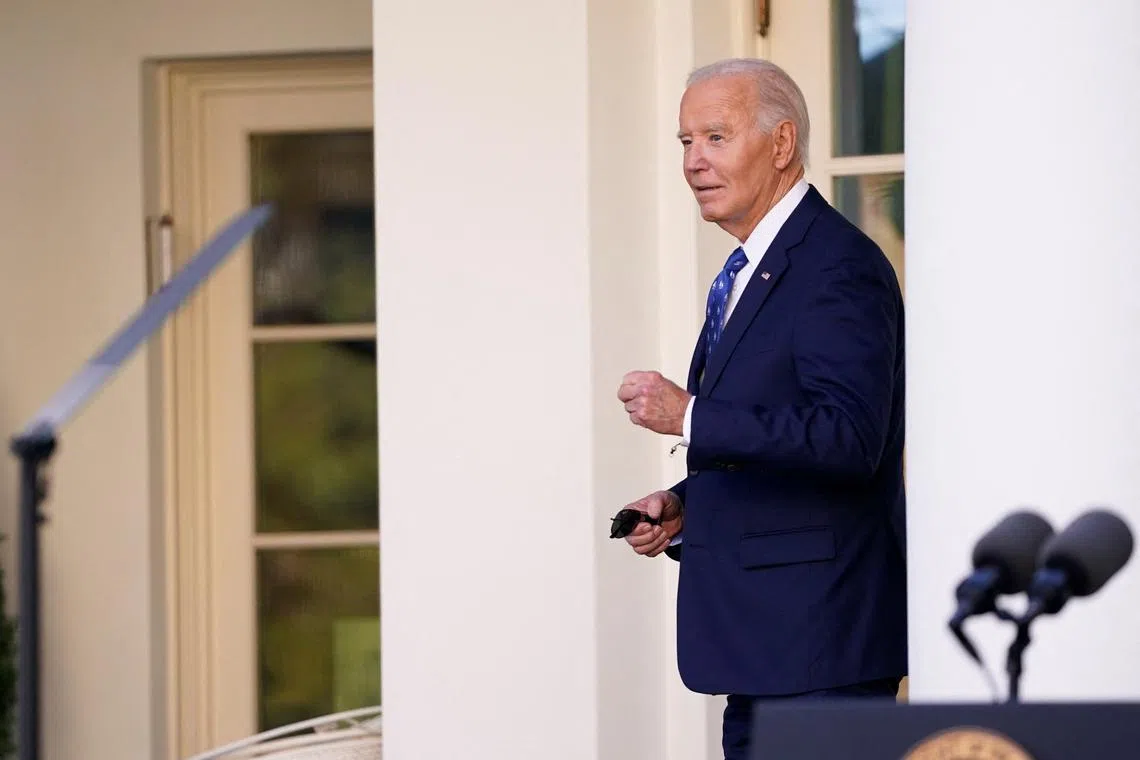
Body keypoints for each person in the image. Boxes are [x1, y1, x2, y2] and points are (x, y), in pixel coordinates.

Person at [616, 58, 907, 760]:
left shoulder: (836, 265)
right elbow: (783, 435)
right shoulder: (756, 267)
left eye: (715, 137)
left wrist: (690, 416)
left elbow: (848, 438)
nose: (693, 162)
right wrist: (689, 502)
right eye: (685, 142)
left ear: (781, 145)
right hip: (768, 656)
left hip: (819, 657)